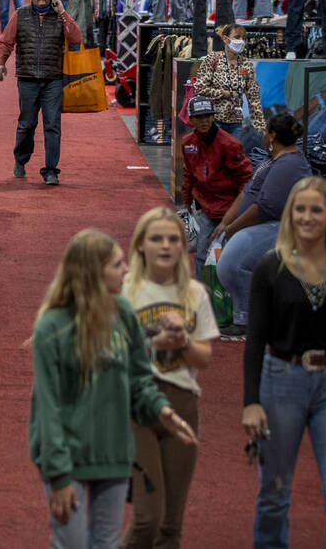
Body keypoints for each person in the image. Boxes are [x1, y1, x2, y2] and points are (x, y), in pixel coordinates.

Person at [30, 229, 197, 549]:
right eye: (118, 264)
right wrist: (59, 474)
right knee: (71, 545)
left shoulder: (123, 313)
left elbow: (138, 378)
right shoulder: (52, 326)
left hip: (114, 452)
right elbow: (47, 408)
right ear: (93, 271)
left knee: (106, 544)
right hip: (69, 458)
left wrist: (163, 411)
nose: (126, 270)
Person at [242, 177, 326, 548]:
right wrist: (250, 402)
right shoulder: (270, 268)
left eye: (316, 209)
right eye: (300, 209)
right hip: (281, 383)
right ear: (289, 215)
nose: (307, 217)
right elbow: (255, 340)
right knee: (275, 494)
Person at [121, 208, 218, 549]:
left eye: (173, 239)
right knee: (147, 520)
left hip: (183, 402)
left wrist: (183, 341)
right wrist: (153, 344)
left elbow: (203, 359)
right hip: (137, 405)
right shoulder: (125, 293)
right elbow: (113, 354)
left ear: (183, 245)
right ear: (140, 245)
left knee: (171, 527)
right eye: (156, 238)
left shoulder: (195, 294)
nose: (165, 246)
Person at [214, 114, 312, 338]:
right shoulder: (274, 159)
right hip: (263, 225)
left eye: (265, 132)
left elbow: (264, 207)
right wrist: (225, 223)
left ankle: (250, 319)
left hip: (279, 226)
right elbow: (247, 192)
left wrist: (232, 228)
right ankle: (248, 315)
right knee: (228, 262)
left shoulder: (289, 164)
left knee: (233, 264)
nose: (262, 135)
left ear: (273, 136)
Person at [0, 0, 83, 186]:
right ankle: (20, 160)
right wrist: (0, 63)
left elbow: (76, 39)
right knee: (27, 124)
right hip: (27, 78)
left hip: (53, 79)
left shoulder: (60, 16)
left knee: (53, 125)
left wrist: (63, 13)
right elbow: (5, 42)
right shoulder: (20, 14)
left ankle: (51, 170)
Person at [181, 96, 253, 272]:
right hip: (206, 209)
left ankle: (225, 295)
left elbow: (246, 179)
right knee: (201, 256)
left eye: (208, 116)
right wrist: (186, 200)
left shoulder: (229, 144)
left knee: (226, 256)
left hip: (230, 209)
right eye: (199, 117)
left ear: (213, 117)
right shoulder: (188, 143)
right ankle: (202, 295)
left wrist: (238, 211)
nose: (204, 120)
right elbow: (189, 173)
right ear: (191, 120)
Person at [192, 24, 266, 141]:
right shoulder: (213, 59)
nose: (241, 41)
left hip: (236, 123)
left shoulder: (246, 65)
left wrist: (260, 126)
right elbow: (199, 88)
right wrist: (225, 93)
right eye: (237, 37)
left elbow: (254, 96)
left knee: (234, 157)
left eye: (244, 38)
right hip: (213, 122)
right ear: (226, 39)